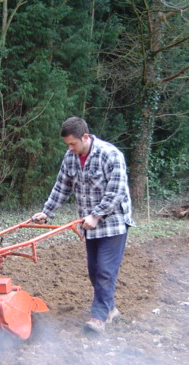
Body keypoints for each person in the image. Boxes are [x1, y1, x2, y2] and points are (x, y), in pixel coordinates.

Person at [32, 116, 135, 333]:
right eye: (67, 145)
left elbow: (116, 191)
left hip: (113, 222)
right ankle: (110, 309)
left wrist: (96, 215)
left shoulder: (110, 155)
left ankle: (98, 318)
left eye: (73, 143)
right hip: (89, 225)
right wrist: (46, 212)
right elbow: (62, 187)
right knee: (94, 271)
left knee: (105, 270)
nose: (70, 148)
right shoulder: (71, 157)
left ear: (85, 137)